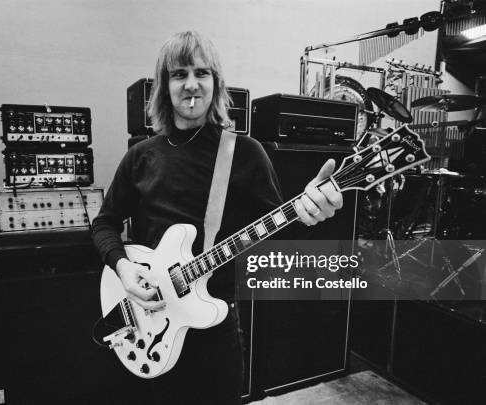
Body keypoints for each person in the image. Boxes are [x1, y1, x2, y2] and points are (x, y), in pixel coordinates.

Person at [92, 31, 343, 405]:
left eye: (202, 73)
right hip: (150, 319)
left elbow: (274, 239)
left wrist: (305, 214)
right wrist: (125, 270)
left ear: (216, 83)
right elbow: (104, 223)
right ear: (164, 87)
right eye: (179, 75)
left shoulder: (244, 153)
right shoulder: (141, 156)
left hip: (215, 324)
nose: (191, 84)